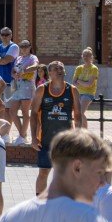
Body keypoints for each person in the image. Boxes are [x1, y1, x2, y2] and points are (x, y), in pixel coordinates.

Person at [30, 60, 85, 197]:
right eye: (56, 68)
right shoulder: (42, 89)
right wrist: (33, 137)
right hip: (46, 139)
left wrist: (77, 136)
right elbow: (34, 114)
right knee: (43, 172)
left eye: (61, 68)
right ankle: (39, 203)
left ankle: (65, 202)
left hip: (65, 142)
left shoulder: (72, 90)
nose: (59, 70)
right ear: (50, 73)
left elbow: (78, 115)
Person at [8, 40, 40, 143]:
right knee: (12, 111)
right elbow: (13, 70)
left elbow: (36, 66)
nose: (24, 48)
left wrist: (24, 71)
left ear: (30, 47)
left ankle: (22, 136)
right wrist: (14, 74)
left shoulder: (32, 57)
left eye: (26, 46)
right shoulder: (18, 58)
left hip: (27, 86)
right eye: (22, 46)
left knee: (25, 112)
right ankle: (23, 134)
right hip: (17, 86)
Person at [72, 48, 100, 115]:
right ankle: (84, 126)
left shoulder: (94, 68)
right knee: (78, 113)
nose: (85, 57)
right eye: (84, 55)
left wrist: (78, 80)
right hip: (78, 93)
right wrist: (83, 83)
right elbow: (73, 83)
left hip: (88, 93)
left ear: (91, 57)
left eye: (87, 55)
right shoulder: (79, 68)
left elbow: (89, 84)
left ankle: (82, 126)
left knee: (80, 112)